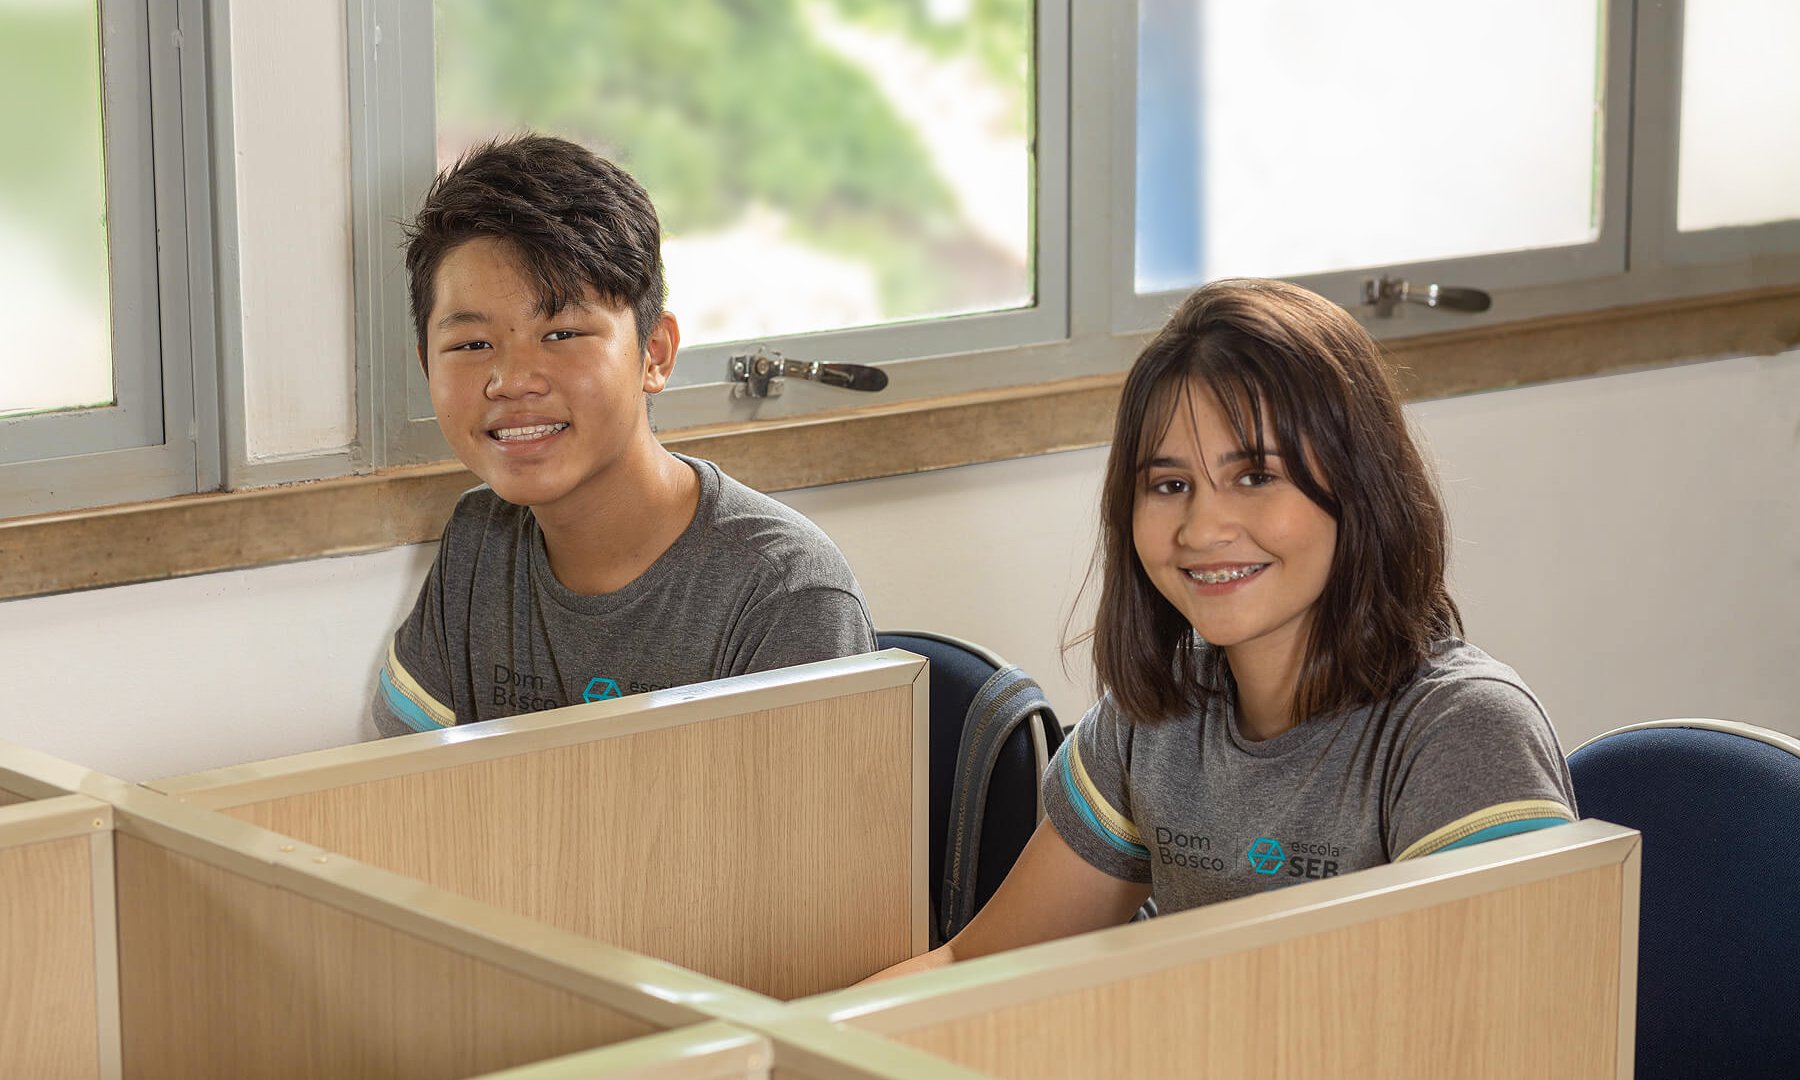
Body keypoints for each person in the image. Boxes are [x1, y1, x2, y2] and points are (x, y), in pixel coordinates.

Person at [872, 278, 1575, 979]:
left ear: (1362, 488)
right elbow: (973, 968)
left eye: (1256, 476)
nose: (1203, 529)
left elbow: (1507, 1038)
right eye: (1170, 486)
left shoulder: (1463, 732)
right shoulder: (1153, 720)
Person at [372, 134, 875, 737]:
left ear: (654, 354)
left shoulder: (783, 592)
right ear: (427, 364)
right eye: (472, 345)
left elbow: (812, 830)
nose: (510, 381)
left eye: (562, 334)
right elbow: (414, 793)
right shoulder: (480, 542)